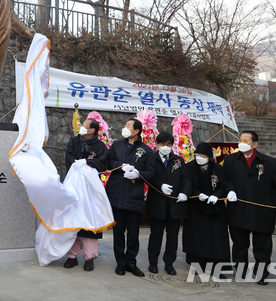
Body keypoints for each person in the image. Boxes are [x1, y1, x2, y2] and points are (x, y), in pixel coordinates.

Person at [224, 130, 276, 284]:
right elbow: (225, 179)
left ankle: (261, 273)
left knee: (262, 245)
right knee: (239, 243)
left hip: (262, 211)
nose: (241, 143)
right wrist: (230, 190)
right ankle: (241, 271)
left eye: (246, 140)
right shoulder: (230, 160)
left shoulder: (269, 162)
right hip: (238, 209)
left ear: (255, 144)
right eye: (240, 139)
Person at [105, 118, 154, 277]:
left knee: (133, 234)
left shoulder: (146, 150)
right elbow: (108, 162)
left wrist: (138, 174)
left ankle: (131, 262)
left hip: (134, 196)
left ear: (136, 131)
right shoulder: (117, 145)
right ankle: (120, 262)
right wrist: (121, 166)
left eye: (128, 126)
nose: (124, 128)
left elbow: (151, 173)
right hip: (117, 193)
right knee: (118, 233)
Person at [63, 117, 110, 271]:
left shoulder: (100, 146)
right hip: (75, 185)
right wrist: (77, 168)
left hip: (90, 188)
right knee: (73, 220)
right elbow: (69, 157)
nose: (81, 127)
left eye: (84, 125)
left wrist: (88, 164)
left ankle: (89, 258)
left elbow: (104, 162)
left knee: (90, 221)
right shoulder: (75, 142)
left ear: (92, 130)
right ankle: (72, 256)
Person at [145, 132, 191, 276]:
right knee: (155, 236)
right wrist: (160, 185)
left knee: (172, 237)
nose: (165, 147)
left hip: (175, 205)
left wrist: (185, 192)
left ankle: (169, 263)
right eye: (162, 144)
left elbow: (187, 178)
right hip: (157, 204)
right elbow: (148, 177)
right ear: (157, 144)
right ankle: (153, 262)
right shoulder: (151, 159)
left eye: (168, 145)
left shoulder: (178, 160)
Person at [182, 142, 230, 275]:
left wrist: (216, 195)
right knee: (197, 237)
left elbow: (224, 185)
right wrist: (197, 195)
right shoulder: (190, 167)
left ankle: (218, 267)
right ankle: (198, 266)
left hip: (215, 208)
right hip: (196, 208)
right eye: (197, 154)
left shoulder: (217, 168)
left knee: (216, 238)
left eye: (202, 155)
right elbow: (187, 184)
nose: (199, 157)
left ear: (209, 156)